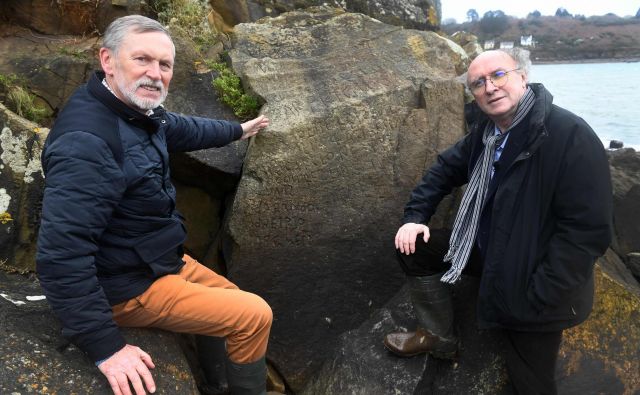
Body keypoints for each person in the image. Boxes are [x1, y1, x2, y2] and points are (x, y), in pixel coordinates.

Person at [36, 15, 273, 395]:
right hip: (124, 287)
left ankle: (213, 383)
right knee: (255, 315)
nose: (155, 73)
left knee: (235, 301)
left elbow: (179, 127)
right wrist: (106, 348)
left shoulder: (134, 109)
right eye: (142, 59)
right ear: (108, 61)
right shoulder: (87, 143)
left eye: (164, 65)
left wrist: (238, 130)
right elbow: (61, 254)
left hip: (154, 258)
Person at [383, 48, 612, 394]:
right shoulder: (486, 134)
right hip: (488, 250)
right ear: (473, 95)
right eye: (479, 83)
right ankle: (438, 336)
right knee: (413, 247)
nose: (490, 87)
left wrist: (542, 294)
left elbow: (586, 231)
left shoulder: (569, 135)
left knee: (529, 383)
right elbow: (444, 169)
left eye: (499, 75)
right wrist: (415, 217)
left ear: (522, 76)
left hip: (534, 277)